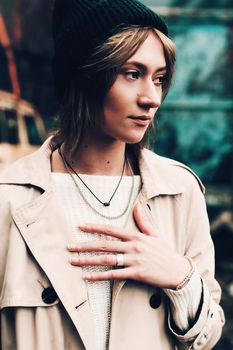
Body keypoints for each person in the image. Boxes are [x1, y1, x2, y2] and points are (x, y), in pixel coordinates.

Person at [0, 0, 225, 349]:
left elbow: (207, 338)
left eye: (160, 79)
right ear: (86, 74)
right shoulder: (9, 198)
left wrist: (181, 279)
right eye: (132, 74)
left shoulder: (180, 191)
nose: (152, 98)